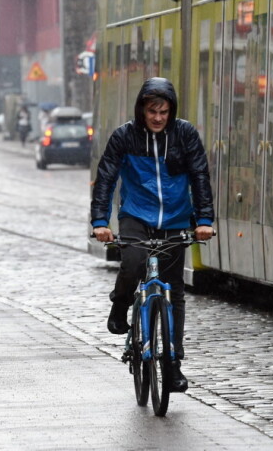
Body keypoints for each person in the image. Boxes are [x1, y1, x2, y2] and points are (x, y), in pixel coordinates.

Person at [91, 77, 214, 392]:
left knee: (174, 291)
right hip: (136, 216)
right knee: (132, 263)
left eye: (164, 111)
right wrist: (100, 222)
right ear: (141, 110)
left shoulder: (185, 135)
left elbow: (199, 175)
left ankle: (172, 366)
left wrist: (203, 219)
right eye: (152, 111)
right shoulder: (125, 137)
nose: (158, 117)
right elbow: (106, 178)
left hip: (175, 218)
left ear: (171, 111)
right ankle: (120, 306)